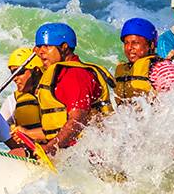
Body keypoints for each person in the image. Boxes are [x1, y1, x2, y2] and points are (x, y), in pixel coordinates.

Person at [30, 23, 114, 156]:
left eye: (47, 46)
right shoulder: (59, 74)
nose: (40, 52)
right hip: (67, 150)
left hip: (85, 155)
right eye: (39, 47)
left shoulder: (76, 75)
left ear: (64, 47)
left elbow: (77, 121)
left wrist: (51, 147)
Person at [114, 18, 174, 101]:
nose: (129, 47)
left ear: (151, 45)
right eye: (126, 43)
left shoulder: (163, 68)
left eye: (135, 43)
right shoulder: (125, 71)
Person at [0, 47, 46, 142]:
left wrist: (28, 133)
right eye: (13, 73)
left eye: (19, 72)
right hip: (29, 149)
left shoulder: (53, 94)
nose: (14, 78)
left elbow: (62, 131)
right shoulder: (12, 101)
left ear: (36, 70)